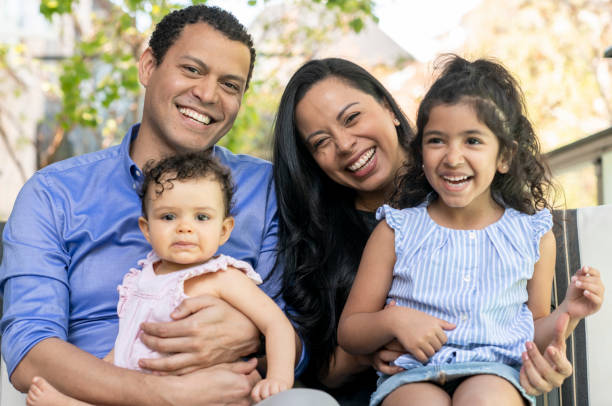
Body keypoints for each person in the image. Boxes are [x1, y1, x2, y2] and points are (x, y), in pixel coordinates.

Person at [1, 5, 314, 406]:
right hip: (94, 390)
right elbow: (29, 349)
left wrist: (253, 333)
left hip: (232, 392)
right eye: (192, 70)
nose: (207, 94)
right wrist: (165, 394)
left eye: (230, 85)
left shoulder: (265, 188)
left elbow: (298, 328)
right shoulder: (54, 194)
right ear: (148, 66)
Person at [272, 57, 585, 405]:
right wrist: (389, 328)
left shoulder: (524, 230)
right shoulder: (383, 230)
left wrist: (564, 322)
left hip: (493, 374)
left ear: (388, 108)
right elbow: (333, 355)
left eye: (352, 117)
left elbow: (533, 326)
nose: (345, 144)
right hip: (406, 378)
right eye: (320, 142)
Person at [25, 152, 296, 405]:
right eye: (168, 216)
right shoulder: (142, 278)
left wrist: (278, 378)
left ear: (224, 230)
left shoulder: (223, 277)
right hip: (146, 390)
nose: (185, 227)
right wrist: (96, 376)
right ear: (146, 228)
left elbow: (276, 324)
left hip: (206, 392)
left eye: (202, 217)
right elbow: (125, 345)